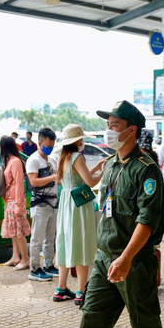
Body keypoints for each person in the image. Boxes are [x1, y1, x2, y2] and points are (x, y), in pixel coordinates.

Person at [49, 100, 164, 328]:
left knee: (143, 319)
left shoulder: (146, 170)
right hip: (104, 258)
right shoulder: (112, 163)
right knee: (92, 316)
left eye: (114, 125)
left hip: (134, 260)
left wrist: (126, 257)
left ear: (131, 130)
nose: (108, 130)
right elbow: (105, 207)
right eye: (108, 124)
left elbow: (147, 220)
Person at [54, 124, 106, 305]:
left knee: (66, 242)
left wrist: (95, 168)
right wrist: (102, 172)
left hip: (66, 202)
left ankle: (60, 289)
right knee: (82, 243)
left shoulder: (63, 157)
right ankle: (81, 291)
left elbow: (73, 178)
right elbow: (90, 183)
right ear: (77, 141)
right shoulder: (77, 157)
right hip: (79, 205)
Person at [26, 127, 59, 280]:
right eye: (47, 145)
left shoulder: (52, 159)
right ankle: (34, 268)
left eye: (52, 145)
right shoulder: (33, 160)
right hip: (40, 203)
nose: (50, 147)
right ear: (39, 143)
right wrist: (52, 177)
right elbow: (33, 181)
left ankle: (48, 265)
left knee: (50, 238)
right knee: (37, 239)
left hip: (53, 202)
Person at [0, 135, 31, 269]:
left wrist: (18, 204)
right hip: (10, 201)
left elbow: (19, 184)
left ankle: (25, 259)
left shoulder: (15, 162)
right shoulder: (10, 161)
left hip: (15, 201)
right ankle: (15, 257)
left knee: (19, 231)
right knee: (14, 231)